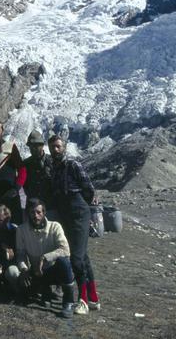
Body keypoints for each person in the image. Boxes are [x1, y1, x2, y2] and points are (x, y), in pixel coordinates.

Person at [48, 135, 100, 315]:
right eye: (52, 147)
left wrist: (84, 209)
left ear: (64, 147)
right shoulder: (54, 169)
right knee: (82, 256)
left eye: (58, 146)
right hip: (65, 214)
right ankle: (93, 298)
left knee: (76, 259)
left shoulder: (72, 164)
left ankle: (82, 300)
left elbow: (89, 189)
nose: (55, 150)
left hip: (78, 212)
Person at [5, 199, 76, 319]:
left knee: (64, 261)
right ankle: (44, 291)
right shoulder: (21, 230)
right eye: (32, 212)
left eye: (38, 212)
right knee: (24, 294)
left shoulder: (55, 226)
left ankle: (68, 302)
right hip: (37, 272)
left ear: (44, 213)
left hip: (55, 270)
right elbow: (21, 254)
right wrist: (23, 269)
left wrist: (45, 258)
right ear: (28, 214)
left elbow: (65, 250)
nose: (36, 216)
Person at [23, 130, 56, 219]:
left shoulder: (53, 162)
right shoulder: (25, 164)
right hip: (32, 208)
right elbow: (24, 185)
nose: (33, 148)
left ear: (42, 146)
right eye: (31, 146)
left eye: (36, 145)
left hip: (51, 208)